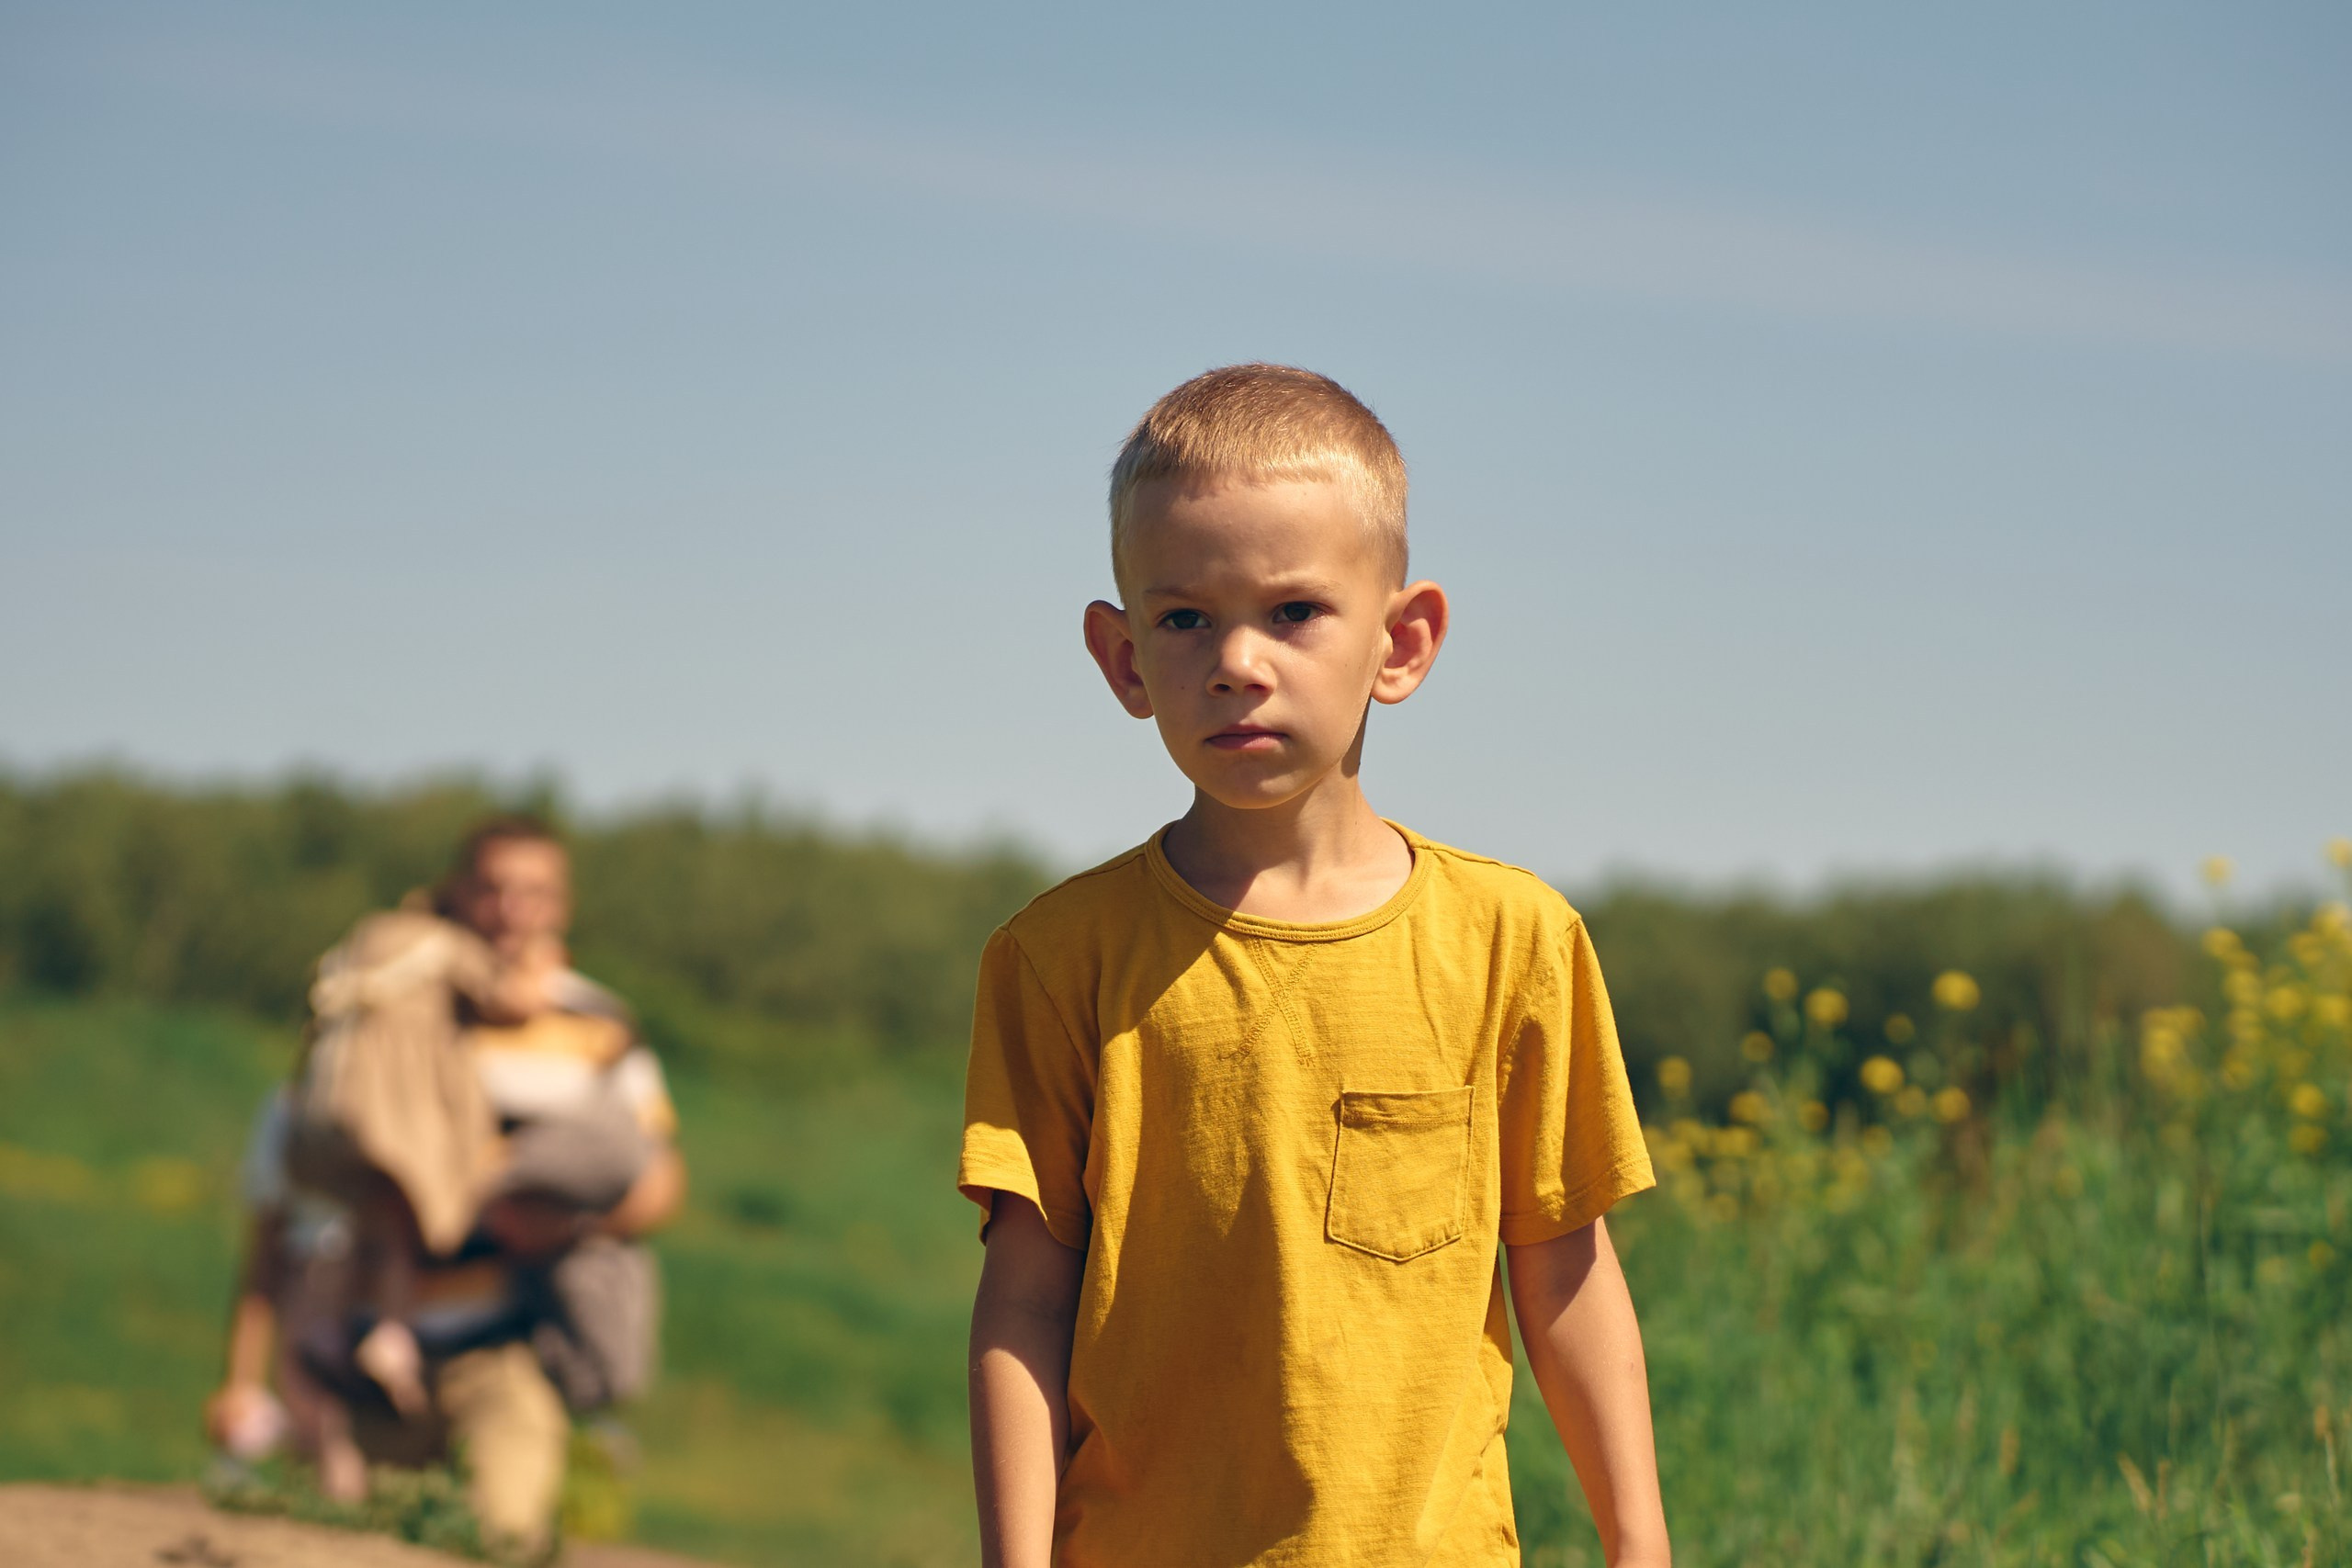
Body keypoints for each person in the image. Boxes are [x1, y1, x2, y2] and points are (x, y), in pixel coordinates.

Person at [961, 365, 1669, 1567]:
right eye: (1184, 617)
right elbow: (1025, 1297)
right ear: (1124, 657)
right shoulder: (1059, 957)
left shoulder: (1513, 939)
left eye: (1293, 612)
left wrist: (1637, 1539)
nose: (1237, 659)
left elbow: (1564, 1268)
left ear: (1402, 641)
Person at [207, 817, 685, 1556]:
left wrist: (541, 1224)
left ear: (563, 904)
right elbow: (288, 1191)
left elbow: (659, 1183)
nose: (510, 909)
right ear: (456, 893)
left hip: (504, 1345)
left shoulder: (597, 1023)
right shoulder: (386, 1005)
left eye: (534, 892)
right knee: (336, 1546)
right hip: (361, 1349)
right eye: (491, 889)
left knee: (504, 1540)